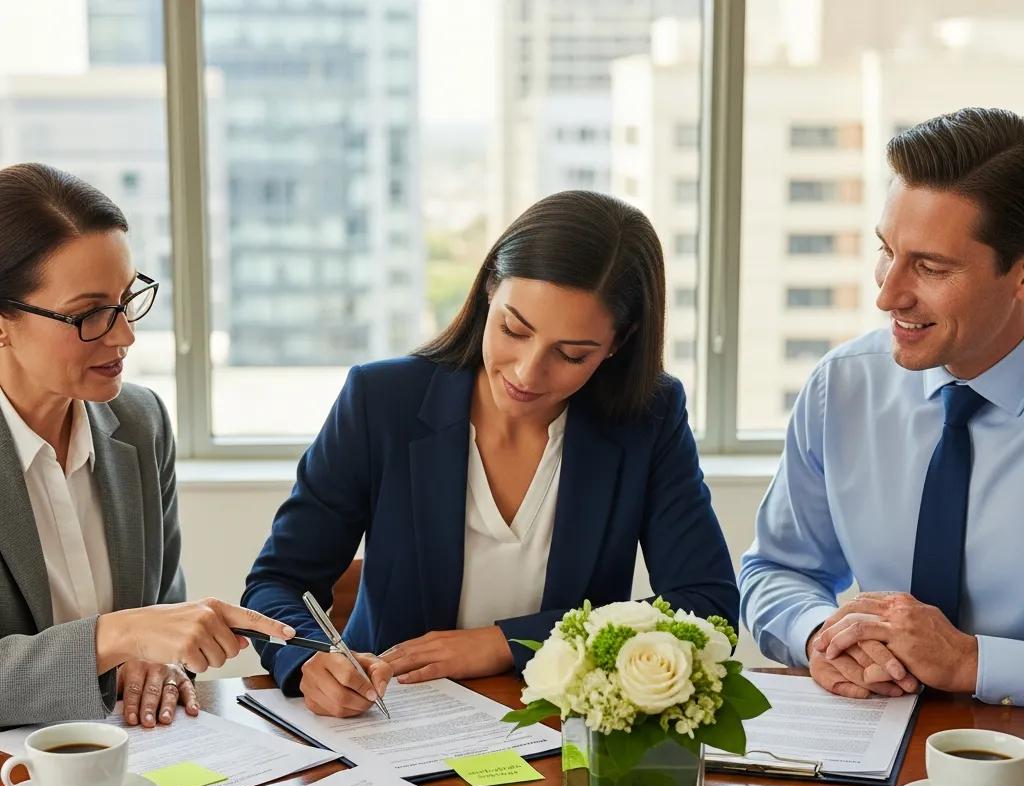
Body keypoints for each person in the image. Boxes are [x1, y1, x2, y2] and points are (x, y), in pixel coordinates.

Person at [243, 189, 738, 717]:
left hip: (560, 730)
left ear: (618, 343)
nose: (527, 372)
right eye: (513, 329)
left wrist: (503, 642)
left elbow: (706, 607)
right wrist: (308, 661)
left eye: (571, 354)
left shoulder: (649, 419)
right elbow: (277, 583)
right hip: (391, 723)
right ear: (487, 293)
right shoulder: (382, 401)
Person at [740, 107, 1024, 704]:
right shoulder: (844, 387)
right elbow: (776, 571)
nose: (887, 293)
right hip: (874, 738)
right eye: (886, 250)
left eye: (929, 266)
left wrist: (974, 662)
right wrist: (824, 634)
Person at [0, 163, 295, 728]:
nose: (125, 335)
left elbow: (162, 607)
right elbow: (138, 626)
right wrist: (120, 636)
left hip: (134, 758)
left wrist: (158, 658)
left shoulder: (139, 421)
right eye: (88, 314)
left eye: (127, 298)